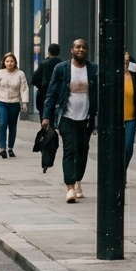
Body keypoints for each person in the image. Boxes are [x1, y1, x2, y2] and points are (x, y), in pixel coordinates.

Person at [41, 38, 99, 203]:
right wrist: (46, 116)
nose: (80, 49)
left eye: (83, 47)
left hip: (86, 118)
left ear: (87, 50)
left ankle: (78, 181)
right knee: (69, 150)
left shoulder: (94, 69)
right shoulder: (61, 68)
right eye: (77, 47)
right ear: (72, 50)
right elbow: (51, 92)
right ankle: (70, 188)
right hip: (66, 117)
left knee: (83, 151)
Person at [0, 53, 30, 158]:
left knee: (12, 126)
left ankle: (10, 148)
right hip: (1, 102)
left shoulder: (20, 74)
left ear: (15, 62)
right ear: (4, 63)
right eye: (7, 61)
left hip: (14, 103)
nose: (9, 63)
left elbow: (24, 89)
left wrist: (24, 102)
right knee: (3, 123)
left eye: (11, 61)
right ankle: (3, 148)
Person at [32, 43, 62, 112]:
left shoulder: (44, 64)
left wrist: (41, 86)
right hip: (57, 95)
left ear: (49, 52)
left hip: (44, 94)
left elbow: (34, 80)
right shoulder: (62, 65)